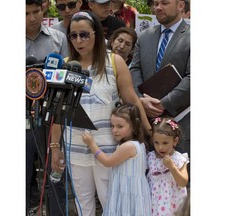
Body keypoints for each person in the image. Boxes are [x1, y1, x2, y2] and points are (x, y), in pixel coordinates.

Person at [50, 10, 151, 216]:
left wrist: (150, 133)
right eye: (73, 35)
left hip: (109, 149)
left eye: (84, 34)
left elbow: (131, 99)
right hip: (75, 148)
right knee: (83, 205)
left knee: (111, 203)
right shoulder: (66, 65)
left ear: (96, 34)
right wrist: (54, 147)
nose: (79, 40)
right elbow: (58, 111)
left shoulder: (114, 61)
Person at [129, 0, 190, 181]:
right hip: (147, 121)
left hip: (181, 119)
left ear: (181, 5)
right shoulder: (144, 36)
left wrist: (164, 103)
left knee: (180, 185)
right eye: (155, 3)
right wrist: (141, 100)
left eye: (164, 3)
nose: (158, 8)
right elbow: (134, 69)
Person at [26, 0, 68, 215]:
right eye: (26, 13)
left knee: (55, 172)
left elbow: (68, 76)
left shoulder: (58, 39)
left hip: (51, 118)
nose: (32, 18)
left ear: (43, 8)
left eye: (36, 11)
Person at [82, 103, 152, 216]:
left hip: (128, 192)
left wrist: (91, 144)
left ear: (134, 126)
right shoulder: (139, 144)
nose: (114, 130)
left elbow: (107, 162)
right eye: (112, 126)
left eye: (120, 126)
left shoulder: (128, 146)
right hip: (132, 190)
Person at [147, 117, 189, 216]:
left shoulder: (179, 159)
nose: (160, 147)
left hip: (173, 202)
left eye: (165, 143)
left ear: (175, 141)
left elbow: (183, 182)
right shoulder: (150, 157)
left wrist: (172, 167)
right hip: (154, 203)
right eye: (156, 142)